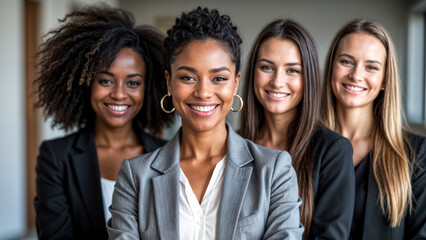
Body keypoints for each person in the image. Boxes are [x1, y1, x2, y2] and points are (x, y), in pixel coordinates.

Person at [107, 7, 303, 239]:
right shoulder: (136, 176)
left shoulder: (274, 171)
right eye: (188, 77)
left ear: (235, 82)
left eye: (219, 78)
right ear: (169, 83)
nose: (203, 92)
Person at [33, 5, 172, 239]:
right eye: (106, 81)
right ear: (86, 83)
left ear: (149, 89)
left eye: (133, 83)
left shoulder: (167, 155)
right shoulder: (56, 157)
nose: (119, 94)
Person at [239, 19, 355, 239]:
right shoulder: (232, 145)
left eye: (292, 70)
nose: (277, 81)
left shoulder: (333, 151)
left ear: (308, 78)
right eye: (266, 67)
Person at [321, 19, 426, 239]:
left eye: (371, 67)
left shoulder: (417, 154)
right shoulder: (304, 144)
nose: (356, 75)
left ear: (385, 78)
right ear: (331, 66)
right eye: (347, 62)